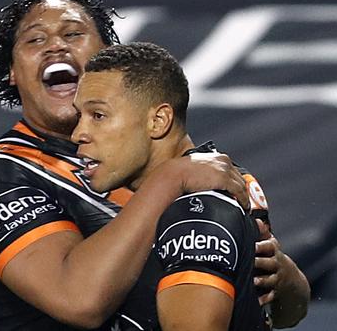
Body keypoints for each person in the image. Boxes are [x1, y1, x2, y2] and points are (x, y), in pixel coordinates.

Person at [0, 0, 308, 330]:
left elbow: (286, 313)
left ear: (104, 56)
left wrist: (280, 274)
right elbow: (79, 302)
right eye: (35, 39)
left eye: (74, 34)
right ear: (13, 72)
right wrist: (171, 180)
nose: (55, 47)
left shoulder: (197, 169)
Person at [73, 41, 277, 330]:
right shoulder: (234, 179)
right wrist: (293, 282)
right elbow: (286, 310)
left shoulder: (195, 211)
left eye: (98, 116)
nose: (78, 133)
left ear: (158, 121)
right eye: (79, 116)